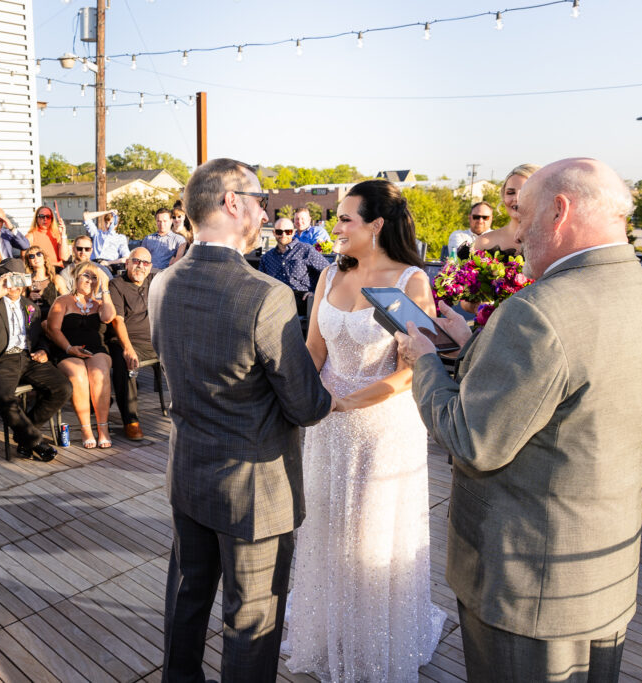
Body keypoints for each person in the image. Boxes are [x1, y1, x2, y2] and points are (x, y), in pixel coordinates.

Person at [395, 158, 642, 683]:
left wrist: (425, 361)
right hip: (603, 571)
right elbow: (571, 391)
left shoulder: (538, 311)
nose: (515, 231)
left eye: (523, 215)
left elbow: (471, 440)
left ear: (560, 212)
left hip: (527, 586)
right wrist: (471, 343)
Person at [149, 158, 336, 681]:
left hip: (188, 472)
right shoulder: (264, 295)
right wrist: (326, 390)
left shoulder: (162, 282)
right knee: (250, 621)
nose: (262, 211)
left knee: (187, 598)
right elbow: (304, 405)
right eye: (259, 200)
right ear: (233, 202)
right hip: (253, 490)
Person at [285, 179, 446, 680]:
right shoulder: (331, 273)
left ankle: (373, 642)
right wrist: (304, 400)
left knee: (369, 538)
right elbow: (314, 350)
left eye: (345, 218)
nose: (336, 226)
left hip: (381, 427)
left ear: (376, 225)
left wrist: (350, 401)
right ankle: (329, 632)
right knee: (327, 530)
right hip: (327, 425)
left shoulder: (409, 282)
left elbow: (413, 369)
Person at [0, 258, 71, 462]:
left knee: (63, 387)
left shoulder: (31, 307)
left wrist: (43, 351)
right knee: (4, 397)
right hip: (0, 360)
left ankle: (23, 435)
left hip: (27, 357)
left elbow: (39, 337)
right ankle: (34, 441)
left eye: (17, 279)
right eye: (8, 278)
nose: (13, 285)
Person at [47, 262, 116, 449]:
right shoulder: (62, 301)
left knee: (99, 372)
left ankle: (103, 428)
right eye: (86, 276)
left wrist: (105, 288)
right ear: (76, 278)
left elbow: (109, 317)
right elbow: (53, 329)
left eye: (94, 277)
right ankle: (86, 429)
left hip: (96, 349)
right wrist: (69, 348)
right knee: (78, 374)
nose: (90, 281)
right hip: (67, 349)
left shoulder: (100, 304)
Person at [106, 247, 157, 441]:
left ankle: (188, 413)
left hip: (154, 341)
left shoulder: (155, 281)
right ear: (127, 262)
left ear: (150, 266)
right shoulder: (116, 285)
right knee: (124, 361)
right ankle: (131, 421)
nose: (140, 266)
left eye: (145, 263)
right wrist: (128, 348)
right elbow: (117, 320)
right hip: (127, 340)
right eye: (136, 261)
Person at [258, 216, 330, 317]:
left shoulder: (306, 250)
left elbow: (328, 272)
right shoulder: (267, 258)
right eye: (279, 232)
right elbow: (261, 284)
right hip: (276, 301)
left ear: (292, 232)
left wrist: (316, 292)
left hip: (302, 300)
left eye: (287, 231)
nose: (283, 235)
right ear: (274, 233)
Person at [472, 163, 541, 256]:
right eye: (510, 192)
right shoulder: (483, 243)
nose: (516, 198)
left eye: (525, 191)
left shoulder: (558, 243)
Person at [24, 245, 67, 320]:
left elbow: (67, 301)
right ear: (29, 263)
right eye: (31, 256)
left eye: (39, 254)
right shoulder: (26, 281)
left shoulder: (56, 279)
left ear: (44, 258)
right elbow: (21, 305)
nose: (36, 257)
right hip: (34, 322)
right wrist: (29, 299)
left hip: (53, 320)